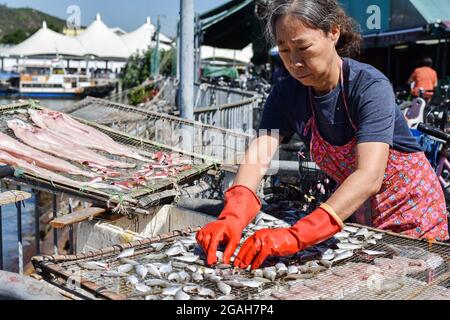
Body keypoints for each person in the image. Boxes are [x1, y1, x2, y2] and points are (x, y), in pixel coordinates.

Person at [196, 0, 449, 270]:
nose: (294, 61)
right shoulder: (285, 95)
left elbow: (369, 176)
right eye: (284, 50)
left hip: (414, 218)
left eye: (303, 47)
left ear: (333, 32)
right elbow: (258, 157)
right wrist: (233, 214)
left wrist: (298, 235)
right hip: (361, 220)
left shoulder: (369, 87)